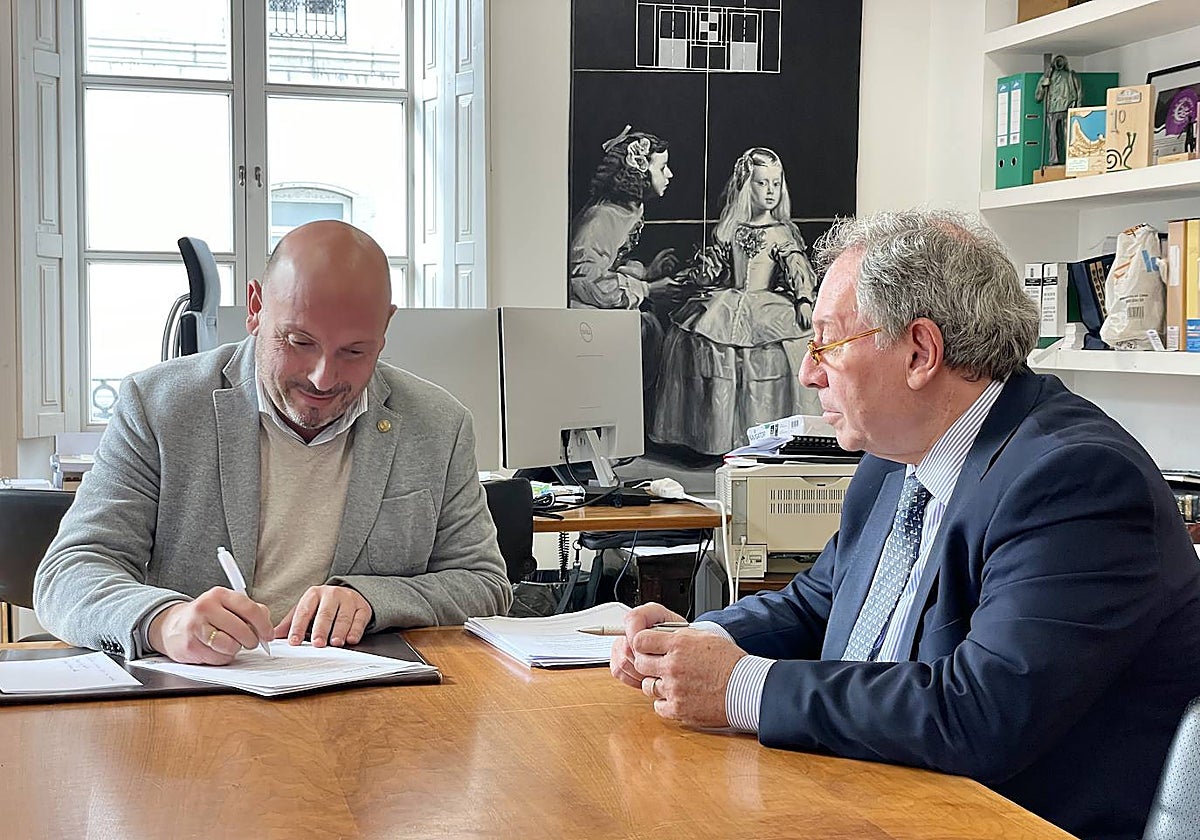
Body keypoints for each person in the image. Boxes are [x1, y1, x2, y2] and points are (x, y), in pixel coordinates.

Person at [610, 209, 1200, 840]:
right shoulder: (893, 463)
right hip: (868, 798)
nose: (808, 373)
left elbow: (978, 714)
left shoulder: (1076, 481)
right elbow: (819, 605)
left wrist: (740, 688)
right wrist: (689, 642)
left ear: (920, 353)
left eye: (826, 343)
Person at [35, 220, 512, 665]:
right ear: (256, 307)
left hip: (371, 704)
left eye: (354, 351)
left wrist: (374, 600)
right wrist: (164, 621)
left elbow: (484, 583)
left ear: (385, 328)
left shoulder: (438, 424)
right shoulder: (159, 406)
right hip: (199, 704)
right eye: (299, 342)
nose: (324, 378)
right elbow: (69, 574)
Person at [650, 147, 820, 454]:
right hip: (729, 303)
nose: (770, 191)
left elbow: (796, 267)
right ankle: (716, 439)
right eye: (761, 183)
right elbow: (716, 267)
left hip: (765, 305)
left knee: (764, 357)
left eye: (776, 183)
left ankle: (760, 439)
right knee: (705, 344)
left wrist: (804, 298)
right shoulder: (731, 228)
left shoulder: (781, 232)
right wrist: (703, 272)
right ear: (746, 186)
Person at [568, 125, 679, 418]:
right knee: (644, 327)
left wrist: (645, 272)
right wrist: (648, 289)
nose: (670, 175)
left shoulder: (628, 208)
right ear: (640, 171)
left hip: (598, 302)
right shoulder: (602, 217)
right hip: (582, 313)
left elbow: (610, 264)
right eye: (663, 167)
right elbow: (585, 280)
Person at [1036, 54, 1083, 167]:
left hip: (1068, 109)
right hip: (1052, 110)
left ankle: (1071, 158)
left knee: (1070, 135)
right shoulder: (1046, 77)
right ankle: (1054, 159)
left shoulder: (1071, 76)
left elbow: (1079, 92)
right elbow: (1038, 97)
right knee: (1053, 137)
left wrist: (1078, 109)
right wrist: (1043, 86)